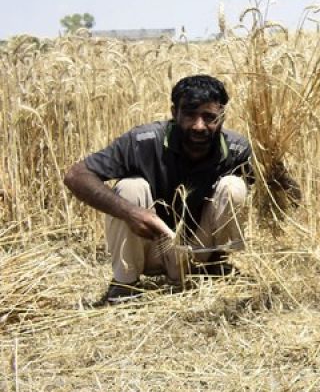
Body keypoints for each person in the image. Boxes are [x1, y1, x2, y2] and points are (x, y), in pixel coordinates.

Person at [63, 74, 253, 304]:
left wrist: (276, 171)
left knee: (234, 187)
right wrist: (131, 213)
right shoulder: (142, 141)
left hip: (201, 250)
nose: (198, 126)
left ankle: (215, 266)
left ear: (222, 115)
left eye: (209, 117)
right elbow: (76, 176)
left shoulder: (237, 148)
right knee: (130, 188)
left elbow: (283, 196)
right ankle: (125, 285)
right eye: (190, 115)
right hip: (152, 247)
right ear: (175, 113)